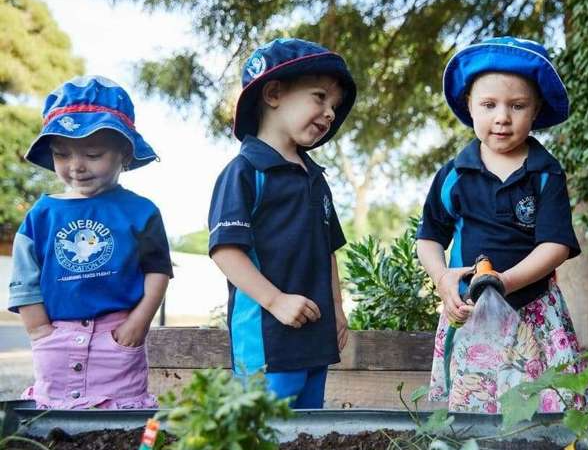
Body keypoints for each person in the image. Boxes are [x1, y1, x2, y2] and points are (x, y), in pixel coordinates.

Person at [417, 37, 588, 413]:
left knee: (548, 404)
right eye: (489, 105)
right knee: (477, 407)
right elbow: (429, 238)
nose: (502, 117)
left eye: (517, 106)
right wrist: (442, 278)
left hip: (534, 310)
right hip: (471, 311)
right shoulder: (454, 174)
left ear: (536, 109)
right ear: (469, 107)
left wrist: (507, 281)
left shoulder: (544, 173)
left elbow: (555, 245)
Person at [7, 75, 173, 409]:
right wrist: (40, 330)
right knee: (53, 419)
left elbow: (157, 272)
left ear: (125, 153)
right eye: (62, 154)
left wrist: (138, 322)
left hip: (119, 336)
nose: (76, 167)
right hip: (55, 333)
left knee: (121, 416)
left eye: (93, 154)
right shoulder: (42, 214)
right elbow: (24, 279)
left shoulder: (142, 212)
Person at [208, 38, 356, 408]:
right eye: (319, 97)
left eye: (334, 107)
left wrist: (337, 311)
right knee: (265, 432)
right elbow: (226, 251)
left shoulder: (316, 178)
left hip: (314, 338)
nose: (329, 114)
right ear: (273, 93)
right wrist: (275, 301)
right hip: (266, 339)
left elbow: (328, 251)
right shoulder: (244, 172)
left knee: (307, 432)